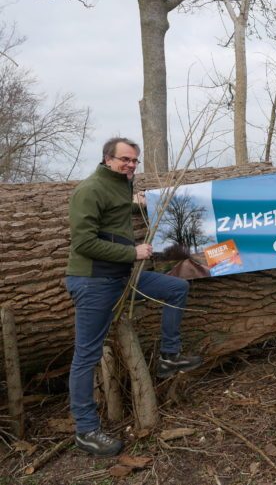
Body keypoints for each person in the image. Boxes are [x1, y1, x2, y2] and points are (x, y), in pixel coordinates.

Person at [65, 137, 202, 456]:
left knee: (176, 288)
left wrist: (137, 202)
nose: (129, 165)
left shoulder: (121, 185)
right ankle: (85, 430)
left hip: (119, 275)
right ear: (106, 158)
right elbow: (83, 243)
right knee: (87, 354)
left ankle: (169, 356)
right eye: (124, 159)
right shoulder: (89, 190)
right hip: (92, 280)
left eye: (134, 161)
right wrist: (131, 251)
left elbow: (113, 211)